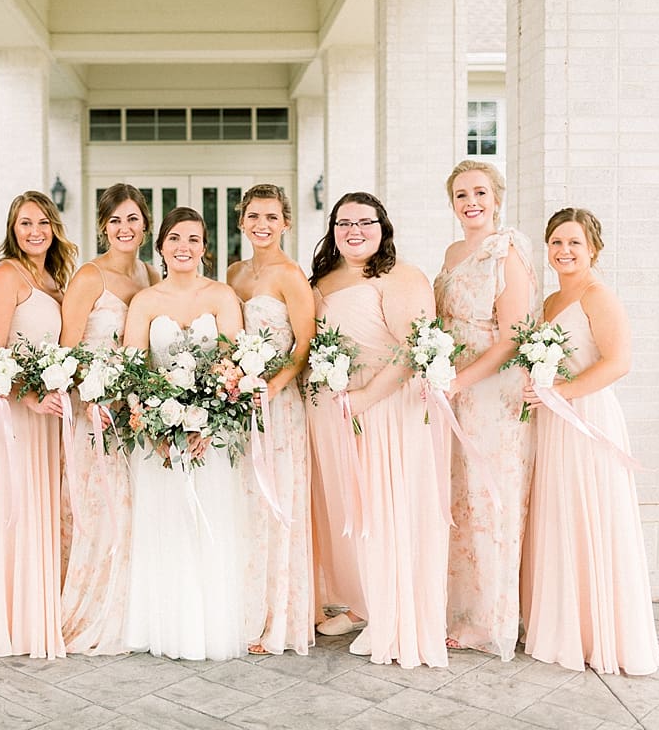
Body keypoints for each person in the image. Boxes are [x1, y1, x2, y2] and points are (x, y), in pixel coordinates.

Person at [308, 192, 448, 668]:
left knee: (389, 509)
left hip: (388, 406)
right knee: (353, 509)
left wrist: (368, 398)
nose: (354, 231)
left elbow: (413, 350)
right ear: (332, 230)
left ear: (383, 227)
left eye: (365, 222)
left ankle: (396, 615)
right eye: (344, 223)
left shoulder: (402, 276)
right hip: (340, 408)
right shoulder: (324, 280)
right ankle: (361, 601)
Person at [520, 207, 659, 676]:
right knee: (559, 515)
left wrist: (560, 392)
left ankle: (598, 632)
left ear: (593, 248)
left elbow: (619, 362)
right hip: (553, 422)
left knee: (588, 514)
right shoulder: (549, 303)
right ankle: (565, 627)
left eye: (574, 242)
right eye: (557, 242)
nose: (564, 251)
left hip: (586, 418)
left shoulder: (598, 296)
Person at [122, 206, 248, 661]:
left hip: (208, 438)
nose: (184, 247)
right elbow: (132, 370)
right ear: (160, 246)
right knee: (166, 527)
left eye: (194, 239)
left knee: (208, 526)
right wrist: (149, 421)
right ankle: (167, 626)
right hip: (158, 437)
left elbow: (235, 366)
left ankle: (208, 627)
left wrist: (208, 423)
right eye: (175, 238)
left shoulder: (222, 296)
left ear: (205, 248)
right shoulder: (146, 302)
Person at [434, 160, 539, 659]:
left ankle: (489, 620)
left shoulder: (508, 251)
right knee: (456, 498)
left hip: (490, 391)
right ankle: (457, 608)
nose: (471, 201)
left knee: (486, 498)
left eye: (479, 192)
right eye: (461, 194)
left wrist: (459, 381)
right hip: (450, 387)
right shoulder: (454, 251)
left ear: (497, 198)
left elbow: (513, 338)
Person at [0, 191, 78, 659]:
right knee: (16, 509)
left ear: (54, 227)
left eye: (42, 223)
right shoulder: (4, 277)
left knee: (43, 510)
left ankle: (39, 612)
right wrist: (29, 397)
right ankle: (7, 622)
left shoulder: (54, 277)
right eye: (24, 224)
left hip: (47, 416)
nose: (35, 231)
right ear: (12, 231)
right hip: (15, 414)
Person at [60, 184, 159, 655]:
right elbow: (69, 348)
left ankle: (134, 612)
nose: (125, 228)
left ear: (145, 225)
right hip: (96, 412)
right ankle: (95, 613)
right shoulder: (89, 277)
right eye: (116, 220)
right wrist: (95, 390)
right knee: (102, 515)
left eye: (133, 219)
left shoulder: (151, 274)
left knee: (137, 513)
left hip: (138, 416)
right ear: (104, 225)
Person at [225, 184, 315, 656]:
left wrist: (272, 387)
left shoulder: (290, 275)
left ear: (285, 223)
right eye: (254, 216)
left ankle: (274, 619)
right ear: (242, 221)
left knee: (275, 503)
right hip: (238, 403)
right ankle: (241, 606)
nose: (262, 225)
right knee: (243, 504)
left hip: (277, 405)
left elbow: (303, 345)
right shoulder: (234, 273)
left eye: (272, 217)